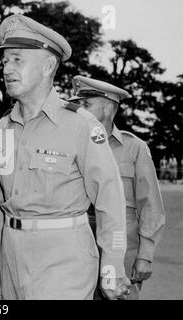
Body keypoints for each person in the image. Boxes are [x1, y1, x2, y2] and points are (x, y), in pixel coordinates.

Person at [0, 14, 130, 300]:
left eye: (17, 60)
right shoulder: (2, 129)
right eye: (5, 61)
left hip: (64, 259)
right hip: (10, 258)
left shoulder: (81, 125)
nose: (7, 69)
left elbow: (110, 199)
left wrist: (112, 264)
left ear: (48, 66)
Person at [69, 75, 166, 300]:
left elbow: (150, 206)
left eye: (86, 105)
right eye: (77, 105)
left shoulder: (134, 148)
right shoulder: (69, 144)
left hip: (121, 250)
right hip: (76, 249)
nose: (79, 110)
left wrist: (146, 255)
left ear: (108, 108)